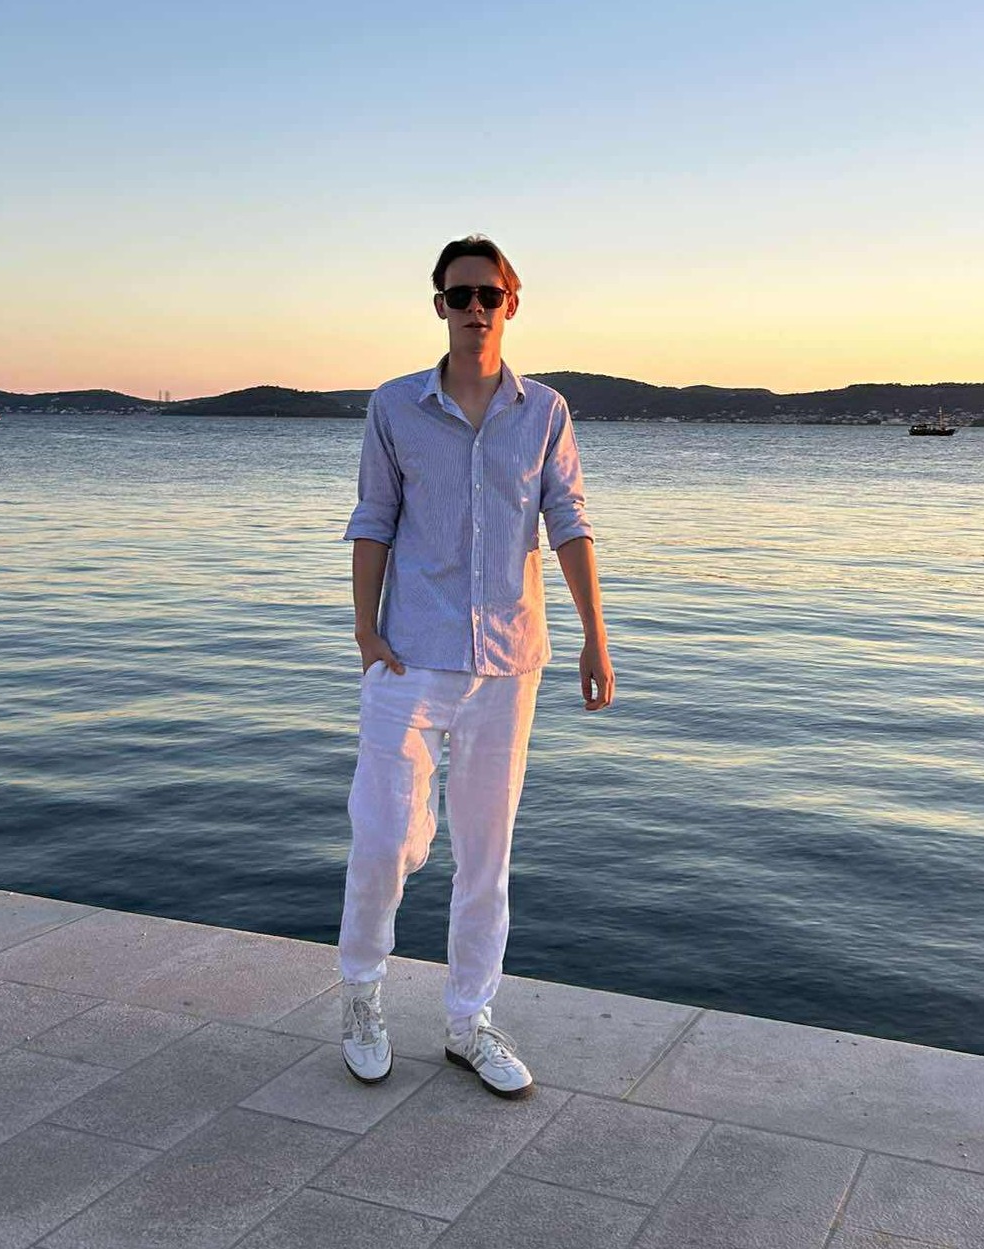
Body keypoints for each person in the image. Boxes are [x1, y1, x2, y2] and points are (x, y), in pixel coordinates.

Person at [337, 234, 613, 1099]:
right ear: (439, 306)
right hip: (408, 657)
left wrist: (594, 635)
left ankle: (468, 1021)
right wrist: (365, 632)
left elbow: (568, 520)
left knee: (486, 857)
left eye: (488, 295)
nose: (474, 309)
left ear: (511, 303)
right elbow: (372, 519)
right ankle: (362, 996)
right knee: (384, 839)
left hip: (508, 661)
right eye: (459, 296)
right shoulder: (394, 406)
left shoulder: (544, 411)